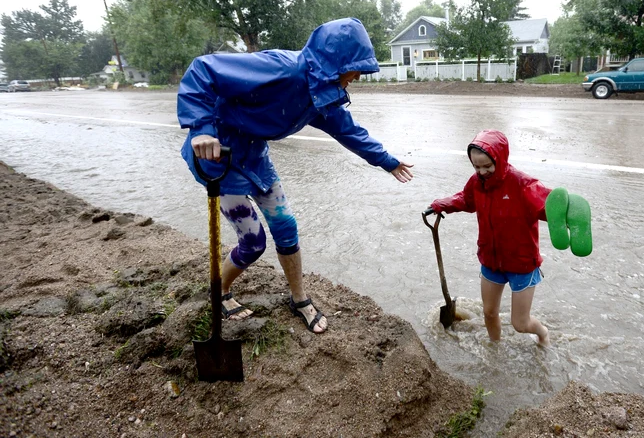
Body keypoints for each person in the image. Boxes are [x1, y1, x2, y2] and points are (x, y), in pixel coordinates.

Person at [177, 18, 414, 334]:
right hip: (220, 156)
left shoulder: (322, 95)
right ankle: (219, 292)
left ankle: (299, 298)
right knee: (253, 242)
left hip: (255, 157)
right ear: (335, 62)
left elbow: (349, 132)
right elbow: (204, 70)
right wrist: (202, 128)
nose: (358, 76)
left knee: (286, 227)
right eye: (355, 68)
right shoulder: (281, 69)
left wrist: (387, 161)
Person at [427, 129, 550, 346]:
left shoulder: (522, 184)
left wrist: (567, 217)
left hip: (522, 264)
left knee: (520, 324)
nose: (482, 172)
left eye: (487, 166)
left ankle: (543, 334)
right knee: (489, 313)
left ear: (500, 160)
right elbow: (466, 200)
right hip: (491, 260)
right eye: (476, 167)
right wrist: (440, 204)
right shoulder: (476, 183)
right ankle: (495, 349)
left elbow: (547, 207)